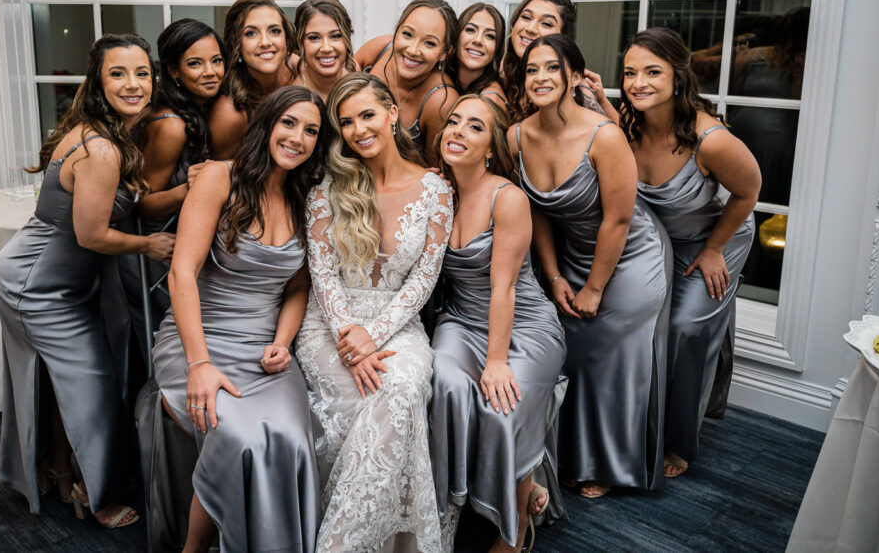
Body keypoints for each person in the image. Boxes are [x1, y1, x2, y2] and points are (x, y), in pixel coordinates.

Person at [0, 33, 175, 527]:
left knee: (59, 384)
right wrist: (149, 246)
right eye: (118, 73)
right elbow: (91, 235)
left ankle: (57, 467)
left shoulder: (103, 131)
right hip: (37, 286)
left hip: (49, 277)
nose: (133, 84)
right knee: (94, 388)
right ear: (98, 81)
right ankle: (96, 496)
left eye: (142, 73)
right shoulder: (101, 148)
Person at [144, 85, 327, 552]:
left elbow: (298, 287)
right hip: (199, 339)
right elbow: (181, 274)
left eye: (311, 131)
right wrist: (199, 364)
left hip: (264, 350)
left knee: (292, 437)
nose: (297, 138)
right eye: (289, 123)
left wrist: (283, 342)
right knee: (238, 436)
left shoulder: (307, 196)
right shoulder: (219, 178)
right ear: (267, 124)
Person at [294, 72, 452, 551]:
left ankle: (339, 543)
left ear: (392, 113)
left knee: (401, 388)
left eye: (367, 115)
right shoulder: (327, 188)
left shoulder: (435, 191)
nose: (359, 129)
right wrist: (350, 336)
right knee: (362, 399)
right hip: (329, 324)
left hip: (398, 324)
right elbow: (322, 275)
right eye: (346, 122)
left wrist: (373, 334)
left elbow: (423, 281)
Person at [508, 34, 670, 499]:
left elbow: (619, 219)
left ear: (575, 77)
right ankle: (572, 456)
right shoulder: (517, 136)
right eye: (532, 69)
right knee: (572, 352)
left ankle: (609, 464)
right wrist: (555, 275)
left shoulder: (605, 135)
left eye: (552, 68)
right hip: (572, 257)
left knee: (610, 353)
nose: (540, 77)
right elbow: (537, 211)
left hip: (632, 255)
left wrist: (595, 287)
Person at [619, 28, 760, 478]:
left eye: (652, 72)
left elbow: (750, 191)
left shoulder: (711, 140)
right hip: (664, 242)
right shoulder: (627, 125)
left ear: (678, 76)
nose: (638, 82)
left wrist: (716, 249)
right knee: (645, 324)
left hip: (717, 237)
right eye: (629, 73)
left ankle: (678, 443)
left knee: (684, 328)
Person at [429, 95, 567, 552]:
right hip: (461, 320)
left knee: (500, 406)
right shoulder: (437, 191)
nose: (458, 131)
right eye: (454, 122)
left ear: (491, 148)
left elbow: (504, 287)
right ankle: (450, 508)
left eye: (475, 127)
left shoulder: (507, 198)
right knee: (445, 382)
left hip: (523, 324)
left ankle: (517, 522)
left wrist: (496, 360)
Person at [125, 18, 221, 348]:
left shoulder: (199, 108)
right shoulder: (171, 126)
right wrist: (191, 189)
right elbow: (140, 205)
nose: (210, 71)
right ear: (173, 70)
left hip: (185, 241)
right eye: (195, 63)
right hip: (159, 251)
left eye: (216, 60)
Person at [355, 0, 460, 164]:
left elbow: (435, 169)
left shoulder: (441, 100)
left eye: (430, 43)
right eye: (407, 34)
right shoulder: (378, 49)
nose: (413, 50)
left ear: (444, 52)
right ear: (397, 32)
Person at [500, 0, 611, 122]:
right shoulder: (501, 71)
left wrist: (603, 101)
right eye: (526, 17)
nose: (530, 28)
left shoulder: (573, 83)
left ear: (563, 36)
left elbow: (606, 130)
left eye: (546, 24)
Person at [209, 0, 298, 159]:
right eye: (251, 33)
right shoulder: (230, 113)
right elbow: (219, 170)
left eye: (275, 31)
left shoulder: (295, 67)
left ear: (286, 38)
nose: (265, 42)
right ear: (236, 43)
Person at [446, 3, 509, 114]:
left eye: (489, 36)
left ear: (497, 48)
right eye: (471, 30)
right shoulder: (443, 80)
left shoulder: (490, 100)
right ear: (456, 35)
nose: (478, 40)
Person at [293, 0, 356, 102]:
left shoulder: (361, 85)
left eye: (335, 36)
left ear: (348, 38)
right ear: (300, 42)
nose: (326, 48)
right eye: (314, 38)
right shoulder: (295, 102)